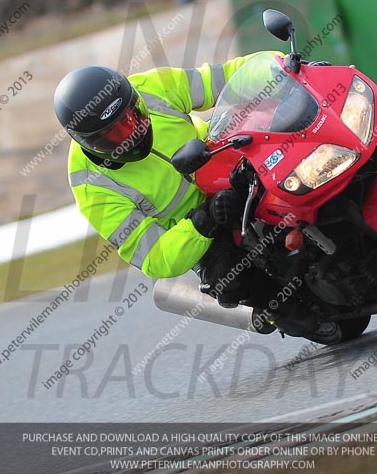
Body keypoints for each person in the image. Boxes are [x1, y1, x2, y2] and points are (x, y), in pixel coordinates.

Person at [54, 52, 279, 308]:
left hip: (228, 164)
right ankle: (298, 314)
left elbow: (227, 77)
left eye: (131, 118)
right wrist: (203, 222)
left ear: (135, 100)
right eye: (111, 136)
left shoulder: (151, 87)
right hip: (197, 227)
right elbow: (154, 255)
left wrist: (283, 68)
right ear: (86, 142)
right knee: (231, 279)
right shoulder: (91, 185)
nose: (131, 135)